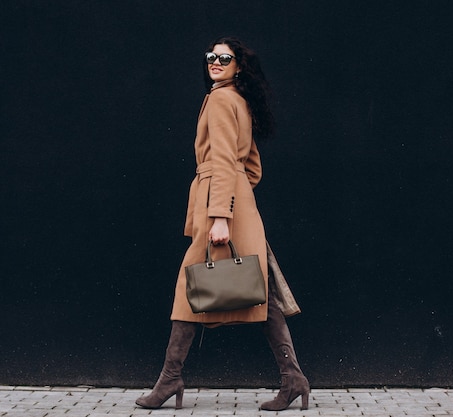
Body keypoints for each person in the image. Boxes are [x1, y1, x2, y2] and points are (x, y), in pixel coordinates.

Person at [135, 36, 309, 411]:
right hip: (234, 200)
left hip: (222, 207)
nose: (215, 62)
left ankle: (170, 379)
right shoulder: (239, 101)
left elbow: (227, 160)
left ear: (238, 65)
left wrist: (220, 215)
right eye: (211, 57)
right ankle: (293, 378)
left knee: (191, 287)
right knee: (258, 289)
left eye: (224, 58)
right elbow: (252, 167)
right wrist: (238, 197)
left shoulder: (219, 100)